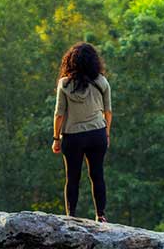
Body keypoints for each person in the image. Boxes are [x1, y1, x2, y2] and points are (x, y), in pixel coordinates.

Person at [52, 42, 112, 222]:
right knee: (97, 174)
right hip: (97, 133)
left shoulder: (64, 84)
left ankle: (71, 216)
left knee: (72, 177)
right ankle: (100, 215)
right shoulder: (102, 81)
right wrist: (106, 134)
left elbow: (59, 114)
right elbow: (108, 112)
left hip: (72, 136)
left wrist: (56, 138)